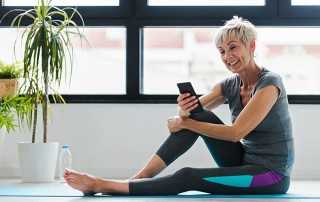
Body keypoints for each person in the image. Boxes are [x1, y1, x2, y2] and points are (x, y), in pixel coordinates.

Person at [64, 16, 294, 196]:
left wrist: (187, 121)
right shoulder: (229, 84)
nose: (227, 56)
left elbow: (235, 133)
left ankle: (102, 185)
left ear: (251, 46)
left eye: (233, 48)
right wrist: (184, 110)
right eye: (222, 51)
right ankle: (141, 177)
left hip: (270, 175)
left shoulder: (270, 84)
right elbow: (193, 112)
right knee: (199, 116)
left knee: (188, 176)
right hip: (242, 160)